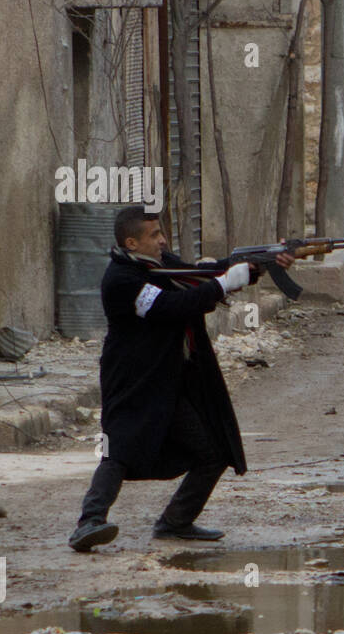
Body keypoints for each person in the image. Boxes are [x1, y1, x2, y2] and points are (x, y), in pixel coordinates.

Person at [67, 207, 294, 551]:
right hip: (135, 380)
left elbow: (198, 275)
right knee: (118, 450)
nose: (162, 240)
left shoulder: (157, 265)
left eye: (161, 233)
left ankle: (176, 521)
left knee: (214, 450)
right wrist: (224, 283)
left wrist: (262, 262)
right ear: (132, 242)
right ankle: (88, 524)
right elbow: (172, 306)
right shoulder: (122, 279)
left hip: (171, 379)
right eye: (154, 235)